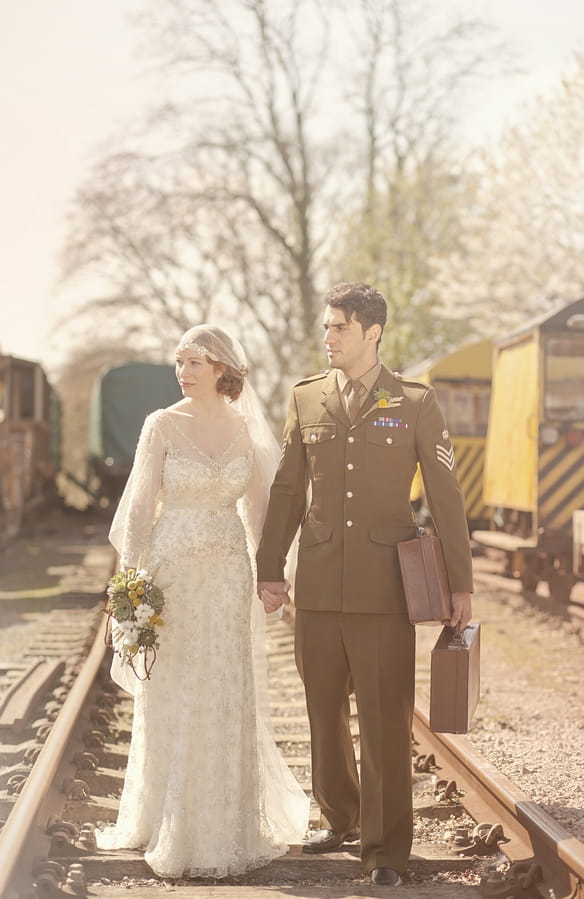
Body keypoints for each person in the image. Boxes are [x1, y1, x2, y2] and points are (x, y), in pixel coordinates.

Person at [256, 282, 473, 888]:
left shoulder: (414, 401)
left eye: (339, 328)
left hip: (385, 591)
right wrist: (269, 566)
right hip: (319, 585)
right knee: (323, 712)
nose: (328, 337)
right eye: (326, 327)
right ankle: (340, 816)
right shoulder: (306, 399)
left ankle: (385, 851)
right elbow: (287, 490)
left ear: (371, 332)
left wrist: (462, 585)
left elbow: (446, 498)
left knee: (383, 720)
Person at [96, 325, 310, 879]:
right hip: (170, 576)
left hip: (225, 578)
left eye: (194, 362)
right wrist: (129, 589)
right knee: (173, 691)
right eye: (179, 362)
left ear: (222, 369)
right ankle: (161, 818)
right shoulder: (160, 425)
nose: (183, 372)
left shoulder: (247, 429)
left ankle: (224, 825)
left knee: (221, 689)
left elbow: (261, 514)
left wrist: (272, 579)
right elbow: (140, 510)